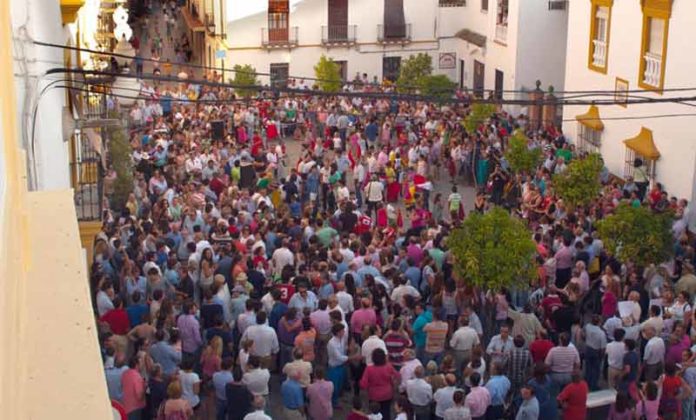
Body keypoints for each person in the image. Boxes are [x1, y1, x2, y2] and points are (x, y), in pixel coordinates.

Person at [360, 348, 400, 420]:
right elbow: (397, 376)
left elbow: (363, 384)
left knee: (374, 414)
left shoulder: (369, 369)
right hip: (387, 394)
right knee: (386, 412)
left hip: (373, 395)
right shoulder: (388, 367)